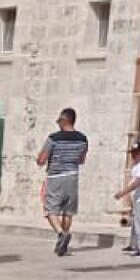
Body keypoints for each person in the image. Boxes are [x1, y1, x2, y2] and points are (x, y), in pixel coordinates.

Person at [35, 108, 88, 256]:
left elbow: (42, 160)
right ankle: (62, 241)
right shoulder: (83, 139)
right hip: (73, 176)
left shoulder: (54, 138)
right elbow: (82, 160)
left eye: (59, 121)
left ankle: (61, 234)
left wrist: (39, 159)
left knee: (50, 209)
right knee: (68, 211)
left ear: (64, 120)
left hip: (55, 177)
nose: (57, 123)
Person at [114, 140, 140, 256]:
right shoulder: (137, 165)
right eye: (133, 153)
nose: (134, 155)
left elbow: (137, 182)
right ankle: (134, 244)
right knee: (136, 222)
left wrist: (122, 193)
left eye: (137, 153)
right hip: (139, 197)